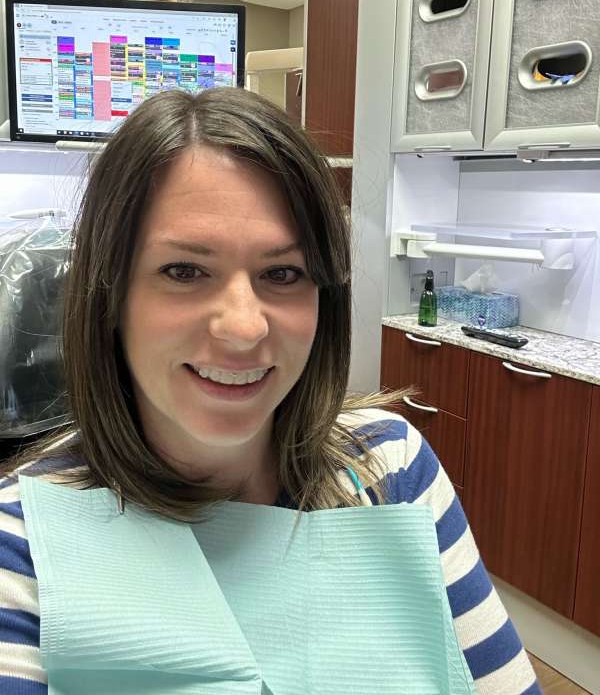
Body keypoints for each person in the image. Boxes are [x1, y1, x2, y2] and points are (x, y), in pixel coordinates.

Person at [0, 86, 541, 694]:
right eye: (184, 271)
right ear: (111, 294)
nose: (244, 327)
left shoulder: (386, 470)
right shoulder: (23, 543)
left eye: (282, 273)